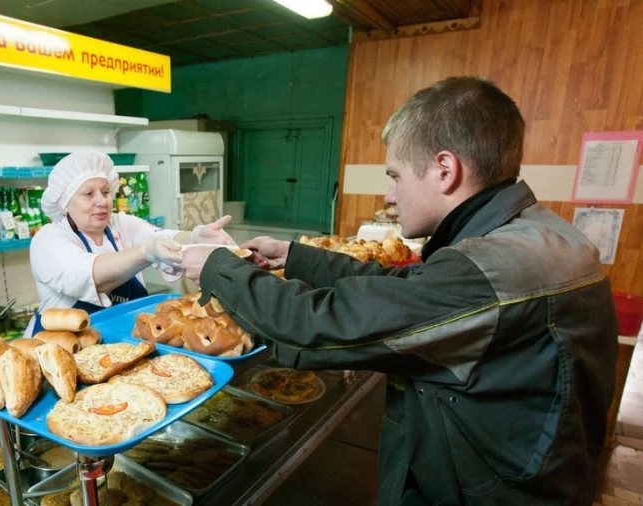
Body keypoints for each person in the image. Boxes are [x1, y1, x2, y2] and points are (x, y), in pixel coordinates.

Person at [181, 77, 618, 505]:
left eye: (395, 175)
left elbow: (318, 327)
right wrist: (295, 257)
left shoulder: (491, 270)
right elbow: (405, 290)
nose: (389, 195)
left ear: (445, 170)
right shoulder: (531, 235)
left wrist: (217, 267)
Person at [24, 151, 234, 337]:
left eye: (106, 192)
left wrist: (197, 237)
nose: (102, 201)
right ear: (65, 202)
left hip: (120, 339)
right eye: (88, 194)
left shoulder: (120, 223)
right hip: (64, 347)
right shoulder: (48, 240)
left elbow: (164, 236)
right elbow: (92, 276)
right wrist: (146, 252)